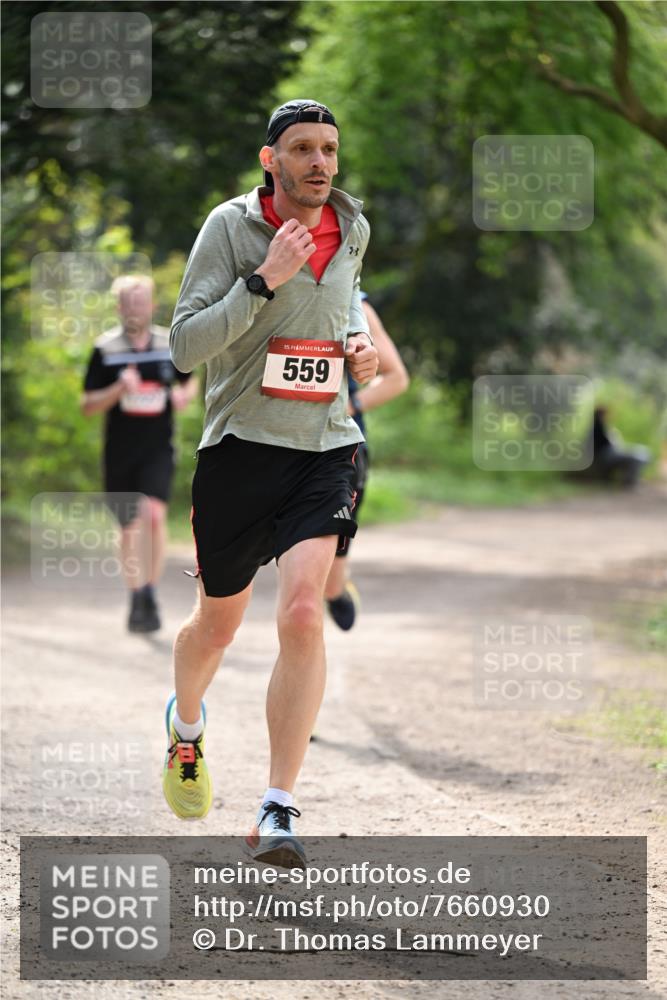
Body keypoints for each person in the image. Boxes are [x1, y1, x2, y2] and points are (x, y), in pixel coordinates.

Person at [163, 99, 378, 866]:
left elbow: (339, 315)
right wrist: (262, 280)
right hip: (240, 450)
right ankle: (186, 729)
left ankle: (277, 805)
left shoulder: (352, 226)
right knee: (216, 628)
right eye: (302, 148)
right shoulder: (229, 227)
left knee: (302, 613)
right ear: (270, 159)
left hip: (325, 446)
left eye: (329, 149)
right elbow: (184, 346)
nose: (319, 162)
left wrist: (357, 348)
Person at [81, 275, 199, 632]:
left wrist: (183, 396)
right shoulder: (106, 349)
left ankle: (149, 591)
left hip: (158, 448)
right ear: (119, 307)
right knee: (130, 527)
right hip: (120, 452)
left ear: (152, 305)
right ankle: (136, 594)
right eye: (129, 303)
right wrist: (119, 389)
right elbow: (87, 405)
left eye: (142, 301)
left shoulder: (168, 343)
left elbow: (190, 380)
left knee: (154, 516)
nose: (136, 308)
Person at [324, 293, 410, 630]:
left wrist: (349, 406)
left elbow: (396, 378)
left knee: (326, 577)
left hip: (341, 451)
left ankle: (335, 590)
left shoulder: (356, 305)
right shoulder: (267, 290)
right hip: (273, 445)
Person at [587, 406, 650, 488]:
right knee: (637, 457)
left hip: (608, 455)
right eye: (605, 415)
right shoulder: (597, 428)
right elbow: (609, 445)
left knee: (640, 453)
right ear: (600, 415)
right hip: (605, 456)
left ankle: (629, 480)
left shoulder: (601, 428)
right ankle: (628, 482)